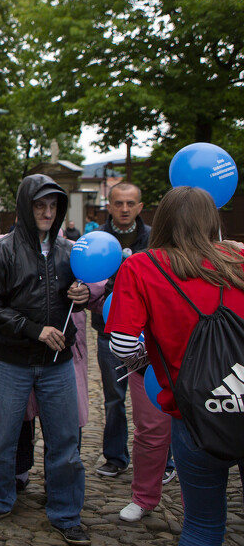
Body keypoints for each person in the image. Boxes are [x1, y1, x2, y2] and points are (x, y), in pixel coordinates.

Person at [108, 185, 244, 545]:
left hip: (195, 411)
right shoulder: (240, 260)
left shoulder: (142, 266)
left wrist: (151, 363)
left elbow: (121, 342)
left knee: (202, 525)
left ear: (162, 219)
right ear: (212, 219)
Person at [0, 174, 91, 546]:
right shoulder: (1, 250)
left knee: (65, 445)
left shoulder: (69, 251)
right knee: (2, 439)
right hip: (9, 360)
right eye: (40, 205)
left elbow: (86, 295)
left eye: (53, 206)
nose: (46, 212)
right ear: (26, 207)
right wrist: (32, 329)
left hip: (57, 365)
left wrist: (84, 292)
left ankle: (66, 513)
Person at [91, 183, 153, 479]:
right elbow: (87, 283)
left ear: (140, 207)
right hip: (110, 334)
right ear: (110, 206)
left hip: (149, 335)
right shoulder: (97, 240)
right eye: (119, 203)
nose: (125, 209)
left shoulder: (153, 238)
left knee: (152, 396)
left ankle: (160, 460)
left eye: (131, 203)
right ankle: (115, 457)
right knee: (114, 398)